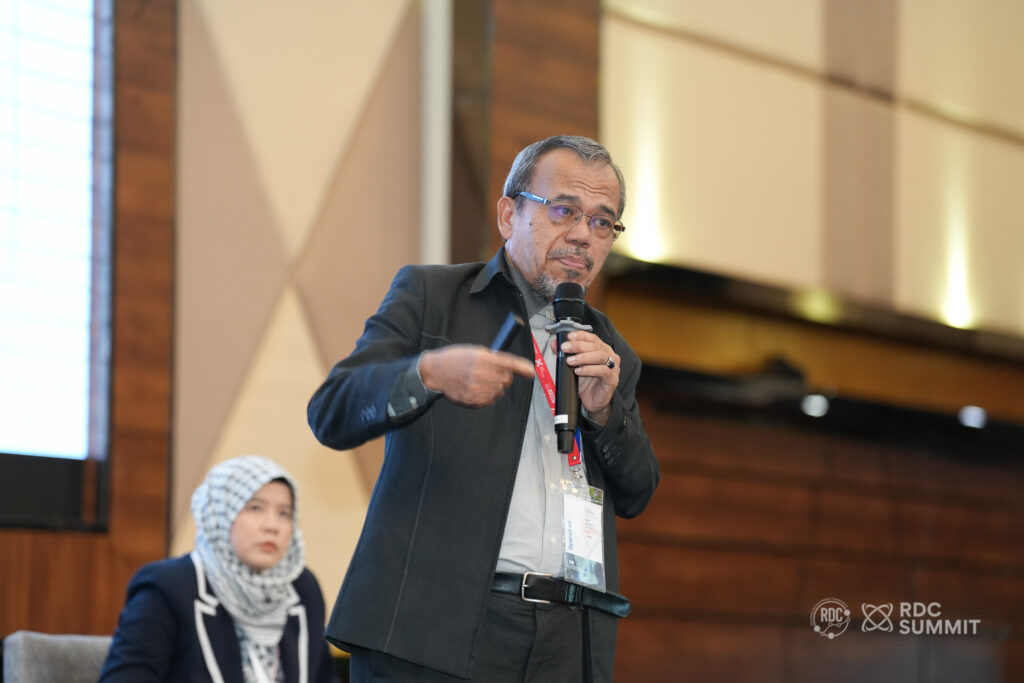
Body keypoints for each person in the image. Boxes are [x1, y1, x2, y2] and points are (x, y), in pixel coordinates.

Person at [307, 135, 660, 682]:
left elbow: (637, 492)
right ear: (508, 214)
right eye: (564, 210)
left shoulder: (611, 352)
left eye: (601, 222)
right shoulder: (433, 297)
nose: (582, 235)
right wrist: (427, 374)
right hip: (432, 633)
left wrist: (602, 414)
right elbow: (332, 410)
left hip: (565, 644)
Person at [100, 455, 337, 683]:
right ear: (219, 513)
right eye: (255, 508)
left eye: (284, 513)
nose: (272, 525)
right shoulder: (167, 588)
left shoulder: (302, 588)